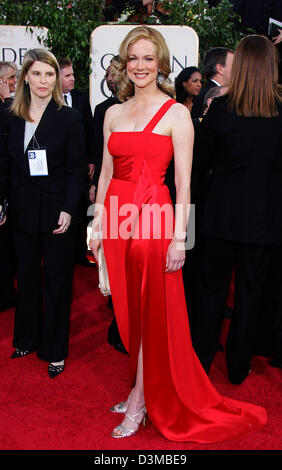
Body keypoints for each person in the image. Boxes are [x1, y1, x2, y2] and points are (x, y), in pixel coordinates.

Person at [90, 26, 266, 442]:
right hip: (117, 216)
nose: (140, 66)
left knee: (153, 311)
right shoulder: (112, 114)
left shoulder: (176, 114)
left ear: (161, 62)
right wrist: (96, 225)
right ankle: (140, 385)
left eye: (148, 58)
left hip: (154, 217)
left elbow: (185, 183)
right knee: (130, 309)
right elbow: (106, 172)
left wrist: (179, 240)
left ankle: (140, 400)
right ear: (123, 63)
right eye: (133, 58)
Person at [192, 34, 282, 385]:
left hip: (220, 218)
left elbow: (201, 164)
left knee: (211, 292)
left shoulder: (221, 110)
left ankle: (198, 362)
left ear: (241, 65)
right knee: (250, 294)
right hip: (265, 223)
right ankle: (238, 367)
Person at [0, 49, 87, 378]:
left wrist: (68, 208)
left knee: (57, 280)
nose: (43, 81)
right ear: (25, 77)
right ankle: (26, 338)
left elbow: (77, 170)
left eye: (49, 75)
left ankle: (54, 349)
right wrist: (2, 201)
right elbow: (4, 163)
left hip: (56, 211)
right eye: (37, 74)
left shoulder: (69, 118)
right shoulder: (11, 114)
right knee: (26, 277)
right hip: (21, 209)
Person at [89, 56, 126, 355]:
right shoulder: (107, 112)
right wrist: (97, 219)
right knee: (116, 267)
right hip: (117, 197)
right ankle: (120, 325)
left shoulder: (170, 111)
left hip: (156, 201)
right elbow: (103, 165)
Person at [59, 57, 95, 267]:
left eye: (73, 74)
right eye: (68, 75)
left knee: (80, 209)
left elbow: (90, 131)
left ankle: (80, 252)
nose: (73, 79)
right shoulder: (49, 100)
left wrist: (90, 160)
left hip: (79, 165)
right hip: (57, 167)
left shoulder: (81, 98)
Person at [192, 46, 234, 118]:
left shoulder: (203, 92)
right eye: (234, 65)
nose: (238, 70)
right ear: (220, 69)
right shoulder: (214, 96)